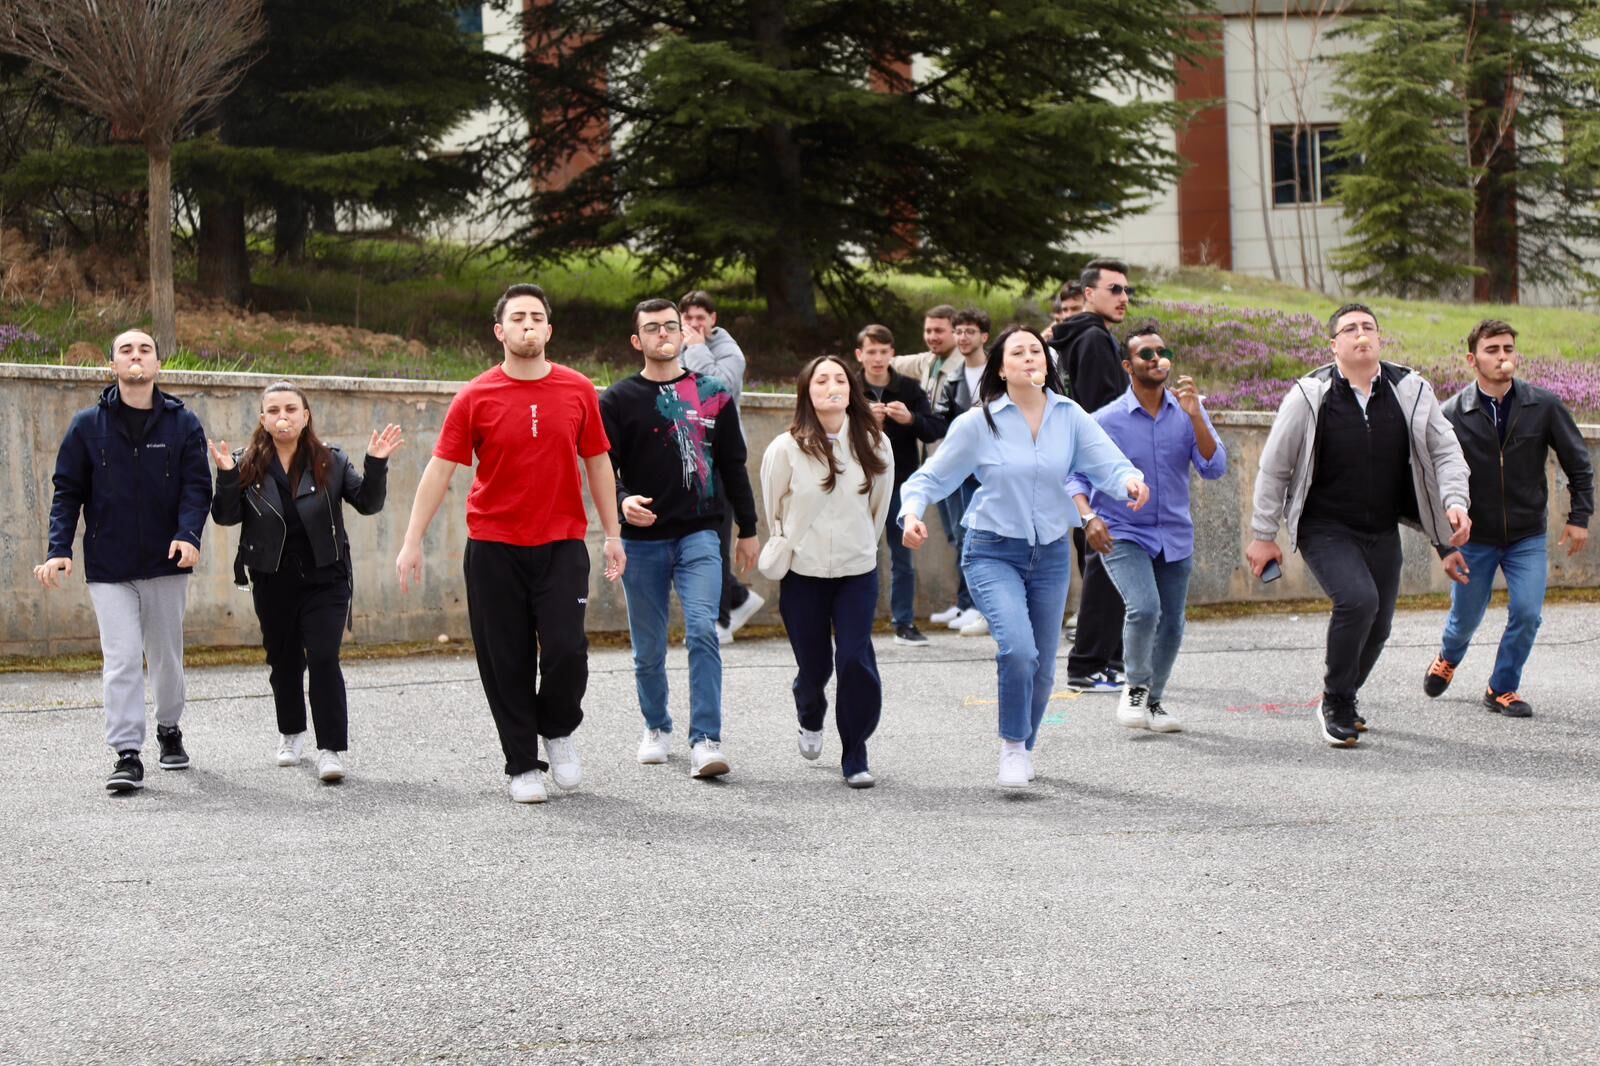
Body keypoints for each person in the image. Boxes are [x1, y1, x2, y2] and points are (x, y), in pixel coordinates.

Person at [395, 283, 626, 804]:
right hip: (494, 546)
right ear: (500, 331)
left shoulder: (578, 390)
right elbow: (439, 469)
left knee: (567, 650)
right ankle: (522, 762)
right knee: (506, 658)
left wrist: (612, 535)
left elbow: (597, 463)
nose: (528, 325)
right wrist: (412, 540)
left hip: (562, 543)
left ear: (549, 330)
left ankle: (559, 728)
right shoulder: (475, 396)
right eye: (517, 317)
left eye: (537, 317)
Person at [900, 326, 1149, 789]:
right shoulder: (979, 423)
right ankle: (1013, 746)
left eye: (1037, 350)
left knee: (1042, 662)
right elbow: (929, 478)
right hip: (993, 550)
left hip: (1052, 553)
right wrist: (912, 513)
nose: (1031, 357)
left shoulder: (1069, 416)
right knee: (1018, 650)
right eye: (1019, 351)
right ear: (1001, 367)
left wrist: (1129, 481)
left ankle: (1024, 747)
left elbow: (1107, 462)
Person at [1247, 302, 1472, 748]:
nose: (1360, 334)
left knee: (1381, 624)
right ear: (1334, 345)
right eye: (1349, 329)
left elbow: (1446, 453)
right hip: (1324, 526)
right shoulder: (1309, 395)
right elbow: (1274, 468)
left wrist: (1454, 506)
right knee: (1357, 600)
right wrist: (1262, 535)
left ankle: (1344, 695)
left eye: (1368, 326)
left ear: (1380, 339)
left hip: (1381, 528)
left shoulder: (1410, 389)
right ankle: (1335, 701)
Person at [36, 329, 212, 792]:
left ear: (158, 363)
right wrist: (59, 551)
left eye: (145, 350)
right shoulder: (86, 426)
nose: (136, 357)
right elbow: (67, 493)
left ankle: (169, 730)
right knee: (120, 661)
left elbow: (198, 487)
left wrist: (189, 535)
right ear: (112, 365)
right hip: (110, 567)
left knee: (167, 660)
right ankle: (127, 753)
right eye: (126, 351)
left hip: (166, 563)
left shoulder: (183, 423)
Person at [209, 382, 402, 783]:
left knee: (323, 657)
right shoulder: (245, 463)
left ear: (305, 415)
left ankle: (330, 749)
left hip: (326, 578)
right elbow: (226, 518)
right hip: (272, 579)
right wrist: (226, 476)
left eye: (291, 409)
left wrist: (376, 463)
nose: (283, 416)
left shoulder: (330, 460)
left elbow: (368, 503)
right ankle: (291, 732)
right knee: (284, 661)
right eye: (274, 409)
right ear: (262, 418)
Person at [601, 299, 759, 778]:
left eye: (672, 326)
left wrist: (748, 529)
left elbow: (733, 463)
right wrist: (622, 501)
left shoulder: (712, 392)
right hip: (642, 540)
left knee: (703, 633)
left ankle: (706, 740)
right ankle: (656, 726)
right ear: (638, 341)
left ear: (684, 334)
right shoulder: (617, 399)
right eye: (653, 328)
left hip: (699, 533)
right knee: (648, 647)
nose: (664, 334)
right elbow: (602, 468)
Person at [1424, 319, 1594, 718]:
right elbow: (1431, 483)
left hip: (1526, 536)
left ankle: (1502, 687)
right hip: (1474, 538)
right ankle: (1449, 656)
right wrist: (1444, 544)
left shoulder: (1544, 405)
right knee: (1464, 620)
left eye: (1508, 349)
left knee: (1528, 612)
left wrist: (1579, 517)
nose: (1503, 358)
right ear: (1472, 359)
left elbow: (1579, 464)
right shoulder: (1451, 414)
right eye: (1493, 350)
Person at [1066, 324, 1227, 734]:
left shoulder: (1188, 410)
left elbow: (1214, 467)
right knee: (1145, 608)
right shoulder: (1105, 420)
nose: (1157, 360)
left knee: (1172, 622)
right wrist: (1089, 518)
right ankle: (1135, 687)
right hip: (1124, 532)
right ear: (1128, 365)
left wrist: (1196, 418)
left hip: (1174, 533)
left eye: (1162, 352)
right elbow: (1075, 477)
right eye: (1146, 354)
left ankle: (1154, 701)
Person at [761, 355, 893, 788]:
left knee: (855, 659)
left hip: (857, 570)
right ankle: (809, 710)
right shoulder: (785, 448)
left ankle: (855, 751)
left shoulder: (875, 444)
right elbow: (774, 507)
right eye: (821, 380)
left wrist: (860, 548)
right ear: (808, 392)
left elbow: (878, 508)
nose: (832, 386)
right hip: (803, 572)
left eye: (840, 379)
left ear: (851, 391)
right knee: (815, 668)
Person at [1054, 259, 1135, 693]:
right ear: (1089, 294)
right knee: (1108, 564)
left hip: (1082, 465)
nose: (1123, 298)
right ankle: (1088, 664)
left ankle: (1111, 658)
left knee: (1108, 564)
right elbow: (1108, 415)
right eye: (1115, 289)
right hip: (1099, 470)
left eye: (1126, 291)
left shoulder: (1077, 337)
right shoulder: (1094, 340)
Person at [680, 290, 763, 644]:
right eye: (689, 319)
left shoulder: (730, 352)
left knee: (717, 537)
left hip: (722, 455)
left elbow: (720, 389)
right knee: (692, 538)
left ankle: (721, 620)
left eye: (702, 318)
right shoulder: (679, 347)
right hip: (689, 453)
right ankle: (739, 598)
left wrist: (696, 349)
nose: (695, 325)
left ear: (713, 319)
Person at [856, 324, 942, 646]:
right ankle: (858, 622)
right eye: (871, 352)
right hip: (859, 484)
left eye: (883, 352)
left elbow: (934, 429)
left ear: (892, 354)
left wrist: (910, 420)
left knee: (902, 556)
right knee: (862, 556)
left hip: (901, 483)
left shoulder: (909, 388)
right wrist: (865, 423)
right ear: (860, 354)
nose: (877, 359)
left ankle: (903, 622)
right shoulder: (849, 386)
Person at [892, 304, 968, 626]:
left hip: (961, 464)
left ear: (955, 331)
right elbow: (887, 362)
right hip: (936, 462)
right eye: (928, 331)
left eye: (939, 331)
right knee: (954, 535)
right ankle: (963, 603)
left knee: (966, 534)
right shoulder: (928, 361)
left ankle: (974, 605)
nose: (932, 337)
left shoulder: (965, 365)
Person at [937, 308, 995, 636]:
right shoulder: (954, 378)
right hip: (962, 471)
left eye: (970, 331)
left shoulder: (998, 373)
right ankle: (969, 604)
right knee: (964, 537)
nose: (962, 337)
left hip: (994, 470)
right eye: (958, 331)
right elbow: (941, 424)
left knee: (987, 537)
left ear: (984, 336)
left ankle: (980, 607)